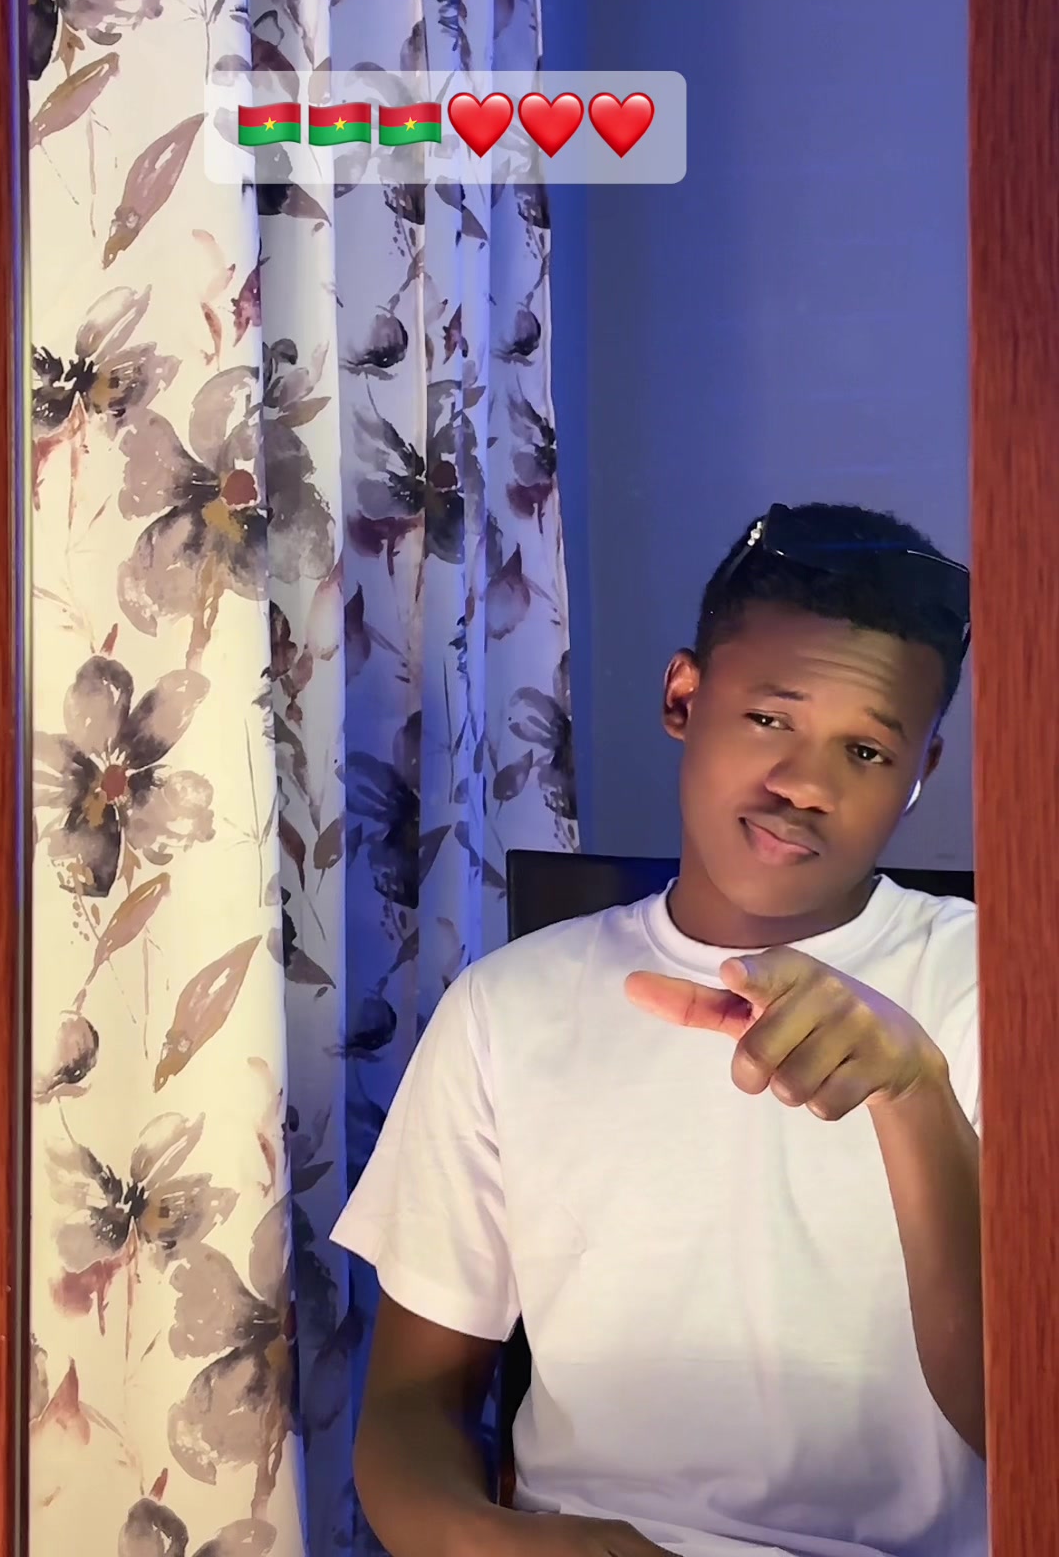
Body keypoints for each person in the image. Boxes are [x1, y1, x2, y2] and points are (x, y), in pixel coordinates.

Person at [331, 502, 984, 1557]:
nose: (805, 786)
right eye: (769, 719)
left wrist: (915, 1099)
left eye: (866, 749)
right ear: (684, 696)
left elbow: (1020, 1416)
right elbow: (413, 1409)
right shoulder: (508, 1007)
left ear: (922, 775)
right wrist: (515, 1548)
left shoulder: (999, 989)